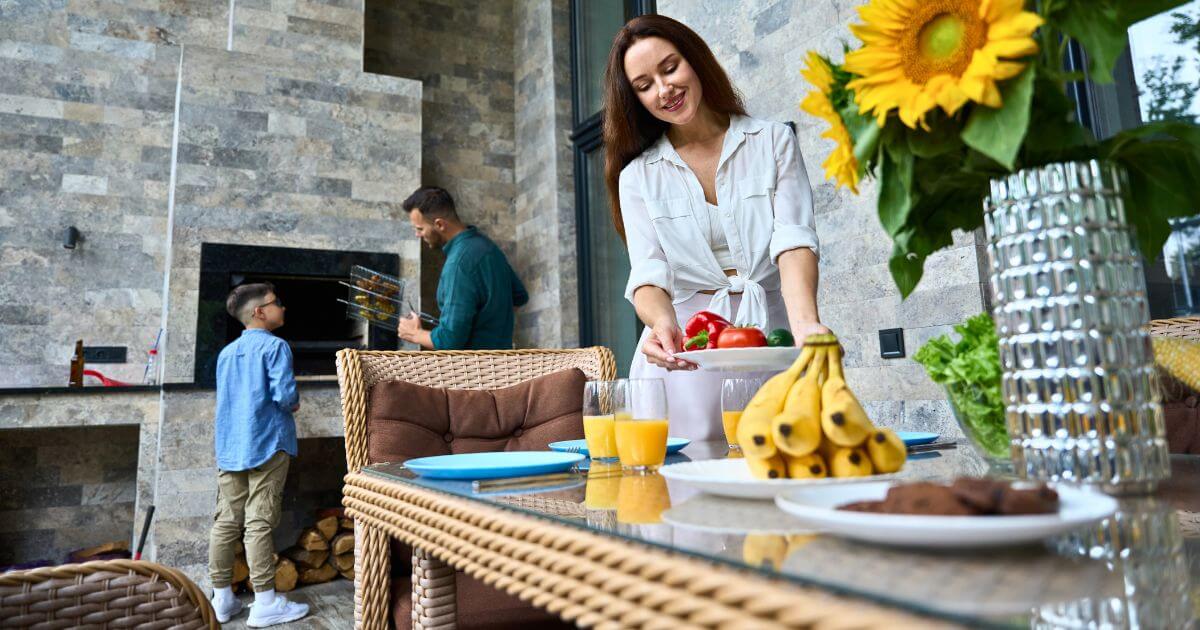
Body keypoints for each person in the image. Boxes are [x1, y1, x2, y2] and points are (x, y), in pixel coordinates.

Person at [603, 15, 830, 441]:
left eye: (670, 69)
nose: (663, 89)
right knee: (680, 488)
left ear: (696, 61)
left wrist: (805, 326)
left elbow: (794, 240)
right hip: (687, 348)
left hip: (768, 335)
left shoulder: (773, 141)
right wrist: (661, 324)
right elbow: (648, 272)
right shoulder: (637, 176)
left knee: (784, 467)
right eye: (644, 85)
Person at [208, 283, 309, 627]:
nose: (282, 307)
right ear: (259, 312)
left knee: (225, 522)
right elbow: (284, 395)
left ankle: (222, 599)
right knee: (259, 522)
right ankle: (265, 601)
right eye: (276, 303)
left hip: (231, 446)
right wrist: (293, 402)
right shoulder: (276, 347)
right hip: (268, 442)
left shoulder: (226, 354)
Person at [397, 186, 529, 349]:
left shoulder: (458, 265)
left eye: (420, 228)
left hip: (476, 370)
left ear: (439, 224)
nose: (418, 235)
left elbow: (448, 341)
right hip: (501, 364)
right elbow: (520, 296)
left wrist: (415, 334)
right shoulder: (487, 247)